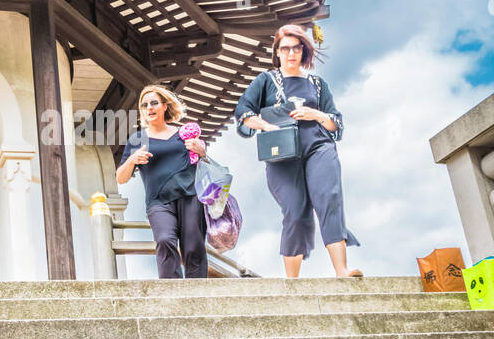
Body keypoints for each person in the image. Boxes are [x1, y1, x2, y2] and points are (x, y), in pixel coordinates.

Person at [234, 25, 361, 278]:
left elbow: (335, 122)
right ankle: (292, 283)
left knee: (329, 199)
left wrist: (315, 114)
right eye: (285, 49)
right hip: (282, 153)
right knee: (295, 210)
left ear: (304, 51)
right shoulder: (265, 81)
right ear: (277, 52)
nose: (291, 54)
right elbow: (243, 113)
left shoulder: (318, 84)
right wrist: (266, 125)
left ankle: (342, 270)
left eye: (296, 48)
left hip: (318, 147)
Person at [117, 85, 209, 279]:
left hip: (190, 197)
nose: (149, 108)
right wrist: (133, 160)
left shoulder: (182, 134)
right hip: (158, 202)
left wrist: (201, 151)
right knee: (165, 240)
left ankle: (197, 291)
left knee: (193, 245)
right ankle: (172, 291)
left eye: (154, 103)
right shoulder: (137, 139)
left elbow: (203, 162)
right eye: (144, 105)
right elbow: (120, 178)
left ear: (165, 106)